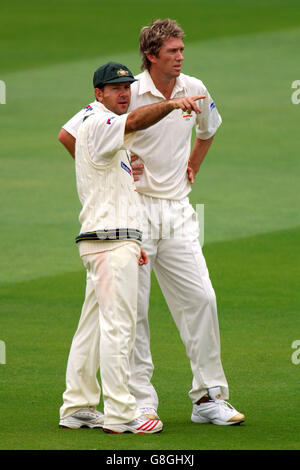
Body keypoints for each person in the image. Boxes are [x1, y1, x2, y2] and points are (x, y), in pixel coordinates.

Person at [59, 19, 245, 426]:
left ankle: (209, 397)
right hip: (133, 212)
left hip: (177, 209)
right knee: (134, 312)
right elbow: (70, 136)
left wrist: (192, 166)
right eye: (172, 51)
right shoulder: (124, 94)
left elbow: (209, 129)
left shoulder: (195, 87)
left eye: (182, 50)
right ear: (151, 56)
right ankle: (142, 402)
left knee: (202, 298)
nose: (180, 57)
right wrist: (113, 170)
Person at [59, 60, 204, 433]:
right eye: (115, 89)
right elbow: (137, 122)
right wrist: (172, 105)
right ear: (98, 94)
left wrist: (134, 238)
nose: (124, 94)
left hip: (110, 241)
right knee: (119, 328)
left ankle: (76, 406)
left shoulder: (104, 130)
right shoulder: (100, 123)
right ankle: (123, 414)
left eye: (127, 88)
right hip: (109, 243)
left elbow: (120, 190)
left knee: (92, 328)